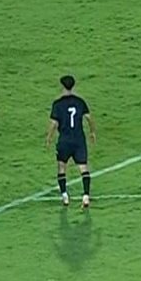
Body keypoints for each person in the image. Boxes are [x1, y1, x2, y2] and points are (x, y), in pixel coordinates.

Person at [47, 75, 95, 209]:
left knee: (61, 167)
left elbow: (54, 124)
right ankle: (86, 196)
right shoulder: (80, 102)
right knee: (83, 167)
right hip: (79, 140)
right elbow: (89, 118)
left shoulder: (58, 104)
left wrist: (49, 137)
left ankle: (65, 196)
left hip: (65, 140)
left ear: (62, 86)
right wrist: (92, 132)